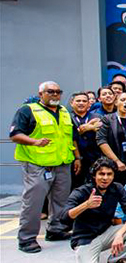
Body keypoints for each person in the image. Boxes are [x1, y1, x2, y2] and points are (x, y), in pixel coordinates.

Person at [11, 81, 81, 253]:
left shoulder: (64, 112)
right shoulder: (28, 110)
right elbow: (15, 134)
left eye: (58, 92)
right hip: (37, 165)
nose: (55, 95)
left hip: (63, 164)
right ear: (41, 93)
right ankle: (26, 239)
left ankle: (56, 230)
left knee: (61, 201)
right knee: (33, 203)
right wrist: (35, 142)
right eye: (51, 92)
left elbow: (72, 136)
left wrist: (77, 157)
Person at [60, 158, 126, 263]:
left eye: (109, 174)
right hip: (86, 240)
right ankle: (87, 257)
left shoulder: (117, 188)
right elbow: (64, 218)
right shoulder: (82, 191)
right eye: (101, 174)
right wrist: (86, 205)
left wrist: (120, 235)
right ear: (94, 175)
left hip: (106, 234)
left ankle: (114, 262)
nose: (105, 178)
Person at [70, 91, 102, 190]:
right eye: (78, 101)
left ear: (89, 104)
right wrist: (87, 128)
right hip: (74, 159)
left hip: (94, 157)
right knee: (75, 186)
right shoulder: (66, 118)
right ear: (72, 103)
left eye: (84, 101)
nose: (81, 103)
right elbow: (69, 136)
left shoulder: (97, 117)